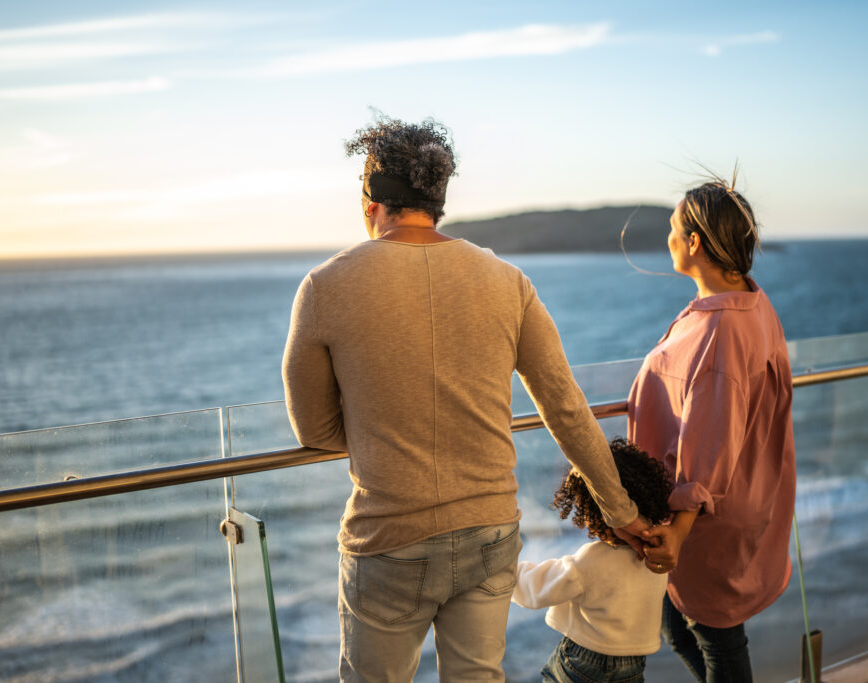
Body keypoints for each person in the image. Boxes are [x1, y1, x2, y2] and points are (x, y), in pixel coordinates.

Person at [281, 115, 651, 682]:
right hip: (489, 531)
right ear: (437, 200)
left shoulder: (326, 286)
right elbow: (566, 409)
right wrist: (621, 512)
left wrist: (385, 430)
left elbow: (313, 430)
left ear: (371, 201)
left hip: (388, 537)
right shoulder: (508, 281)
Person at [627, 174, 796, 682]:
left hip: (706, 517)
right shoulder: (751, 302)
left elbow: (712, 438)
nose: (669, 238)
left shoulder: (721, 327)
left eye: (674, 228)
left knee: (715, 637)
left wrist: (678, 530)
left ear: (695, 242)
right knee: (690, 627)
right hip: (739, 497)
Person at [512, 438, 674, 683]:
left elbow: (538, 589)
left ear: (594, 512)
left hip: (584, 659)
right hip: (633, 664)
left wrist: (505, 571)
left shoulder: (592, 559)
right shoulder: (657, 554)